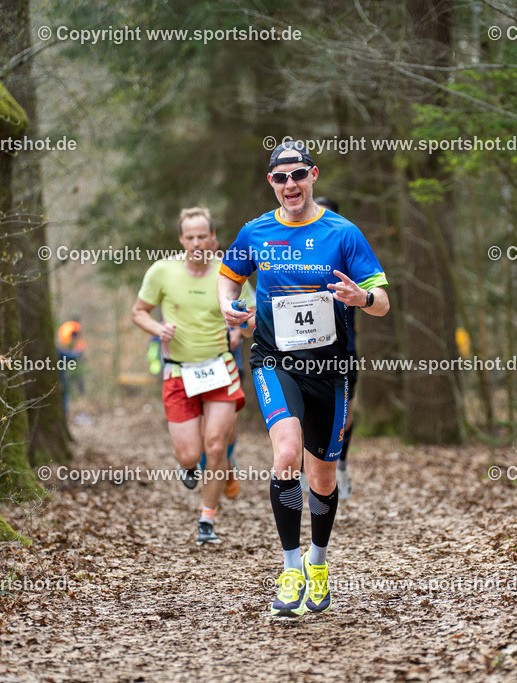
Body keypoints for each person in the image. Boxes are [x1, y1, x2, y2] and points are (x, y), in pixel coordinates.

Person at [218, 142, 390, 616]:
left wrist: (361, 299)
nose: (290, 185)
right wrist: (226, 304)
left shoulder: (343, 232)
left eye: (297, 175)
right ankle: (290, 567)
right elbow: (229, 277)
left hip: (331, 369)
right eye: (280, 178)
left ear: (313, 175)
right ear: (270, 182)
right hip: (275, 360)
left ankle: (318, 563)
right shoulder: (255, 232)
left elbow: (382, 300)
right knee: (287, 455)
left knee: (323, 477)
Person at [132, 207, 253, 545]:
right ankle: (191, 467)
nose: (198, 243)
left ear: (214, 239)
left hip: (219, 369)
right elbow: (138, 312)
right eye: (191, 237)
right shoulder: (162, 272)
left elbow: (250, 321)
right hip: (179, 373)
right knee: (189, 455)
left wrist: (239, 325)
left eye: (204, 236)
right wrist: (158, 328)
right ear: (181, 240)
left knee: (215, 447)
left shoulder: (230, 274)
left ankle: (207, 520)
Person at [313, 197, 355, 500]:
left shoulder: (349, 252)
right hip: (303, 350)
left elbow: (374, 293)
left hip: (345, 349)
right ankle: (308, 469)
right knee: (303, 411)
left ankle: (340, 463)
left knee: (345, 415)